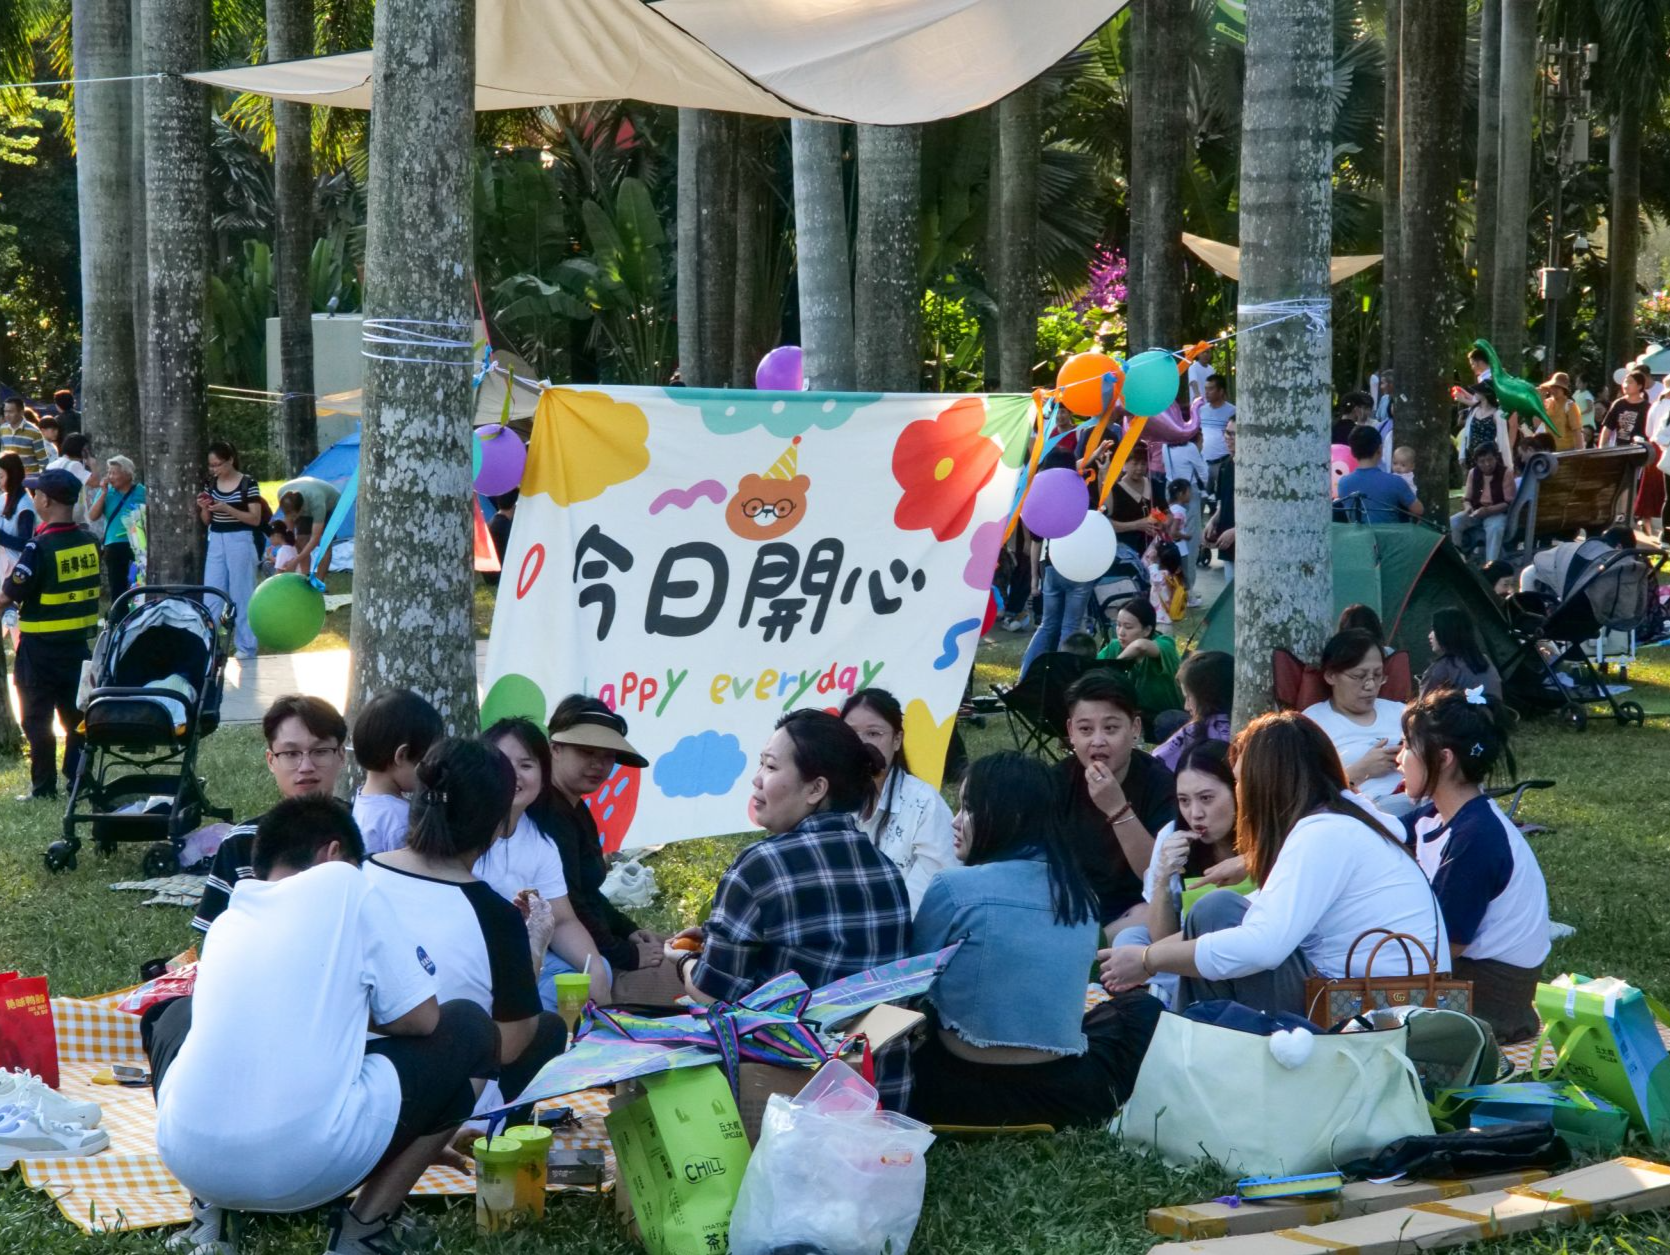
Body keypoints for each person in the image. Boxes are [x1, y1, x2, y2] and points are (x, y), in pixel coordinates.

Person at [150, 797, 502, 1255]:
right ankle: (365, 1228)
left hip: (190, 1161)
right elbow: (422, 1018)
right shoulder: (343, 883)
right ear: (333, 853)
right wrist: (349, 1005)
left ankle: (207, 1219)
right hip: (306, 1164)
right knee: (472, 1029)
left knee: (176, 1015)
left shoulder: (230, 918)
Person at [1098, 712, 1450, 1015]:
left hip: (1372, 1009)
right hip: (1381, 997)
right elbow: (1259, 913)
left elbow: (1263, 946)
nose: (1241, 795)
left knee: (1217, 912)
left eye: (1240, 783)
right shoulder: (1345, 818)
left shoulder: (1323, 832)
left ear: (1267, 783)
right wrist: (1146, 955)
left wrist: (1148, 961)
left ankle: (1200, 1053)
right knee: (1214, 911)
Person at [670, 711, 912, 1104]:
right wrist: (716, 940)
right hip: (880, 1098)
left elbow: (713, 993)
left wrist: (681, 962)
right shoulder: (886, 869)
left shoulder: (760, 865)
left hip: (789, 1104)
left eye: (769, 765)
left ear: (816, 788)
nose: (756, 779)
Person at [909, 752, 1162, 1128]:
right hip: (1062, 1094)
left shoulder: (952, 887)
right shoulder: (1081, 895)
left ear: (1008, 818)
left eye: (967, 808)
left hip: (953, 1091)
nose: (956, 821)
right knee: (1140, 1010)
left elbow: (910, 983)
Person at [364, 738, 569, 1116]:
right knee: (549, 1030)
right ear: (497, 823)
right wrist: (533, 950)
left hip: (346, 1086)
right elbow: (507, 1045)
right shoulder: (494, 915)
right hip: (432, 1107)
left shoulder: (355, 876)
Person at [1399, 690, 1549, 1042]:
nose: (1398, 758)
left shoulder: (1476, 837)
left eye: (1407, 745)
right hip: (1467, 983)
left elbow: (1441, 949)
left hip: (1488, 1008)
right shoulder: (1441, 815)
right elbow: (1378, 833)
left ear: (1443, 758)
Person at [541, 697, 682, 1004]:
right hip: (566, 960)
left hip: (598, 946)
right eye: (586, 752)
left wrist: (630, 930)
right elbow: (569, 906)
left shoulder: (574, 807)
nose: (598, 765)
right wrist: (627, 954)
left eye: (607, 756)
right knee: (687, 980)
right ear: (555, 748)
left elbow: (588, 893)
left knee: (682, 951)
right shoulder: (547, 815)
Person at [479, 718, 613, 1008]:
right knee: (547, 997)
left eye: (526, 765)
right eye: (502, 762)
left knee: (597, 970)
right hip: (475, 961)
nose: (513, 775)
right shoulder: (463, 833)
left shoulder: (541, 842)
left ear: (543, 775)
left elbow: (563, 920)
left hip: (525, 954)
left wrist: (598, 972)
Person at [190, 695, 348, 936]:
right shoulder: (241, 843)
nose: (306, 766)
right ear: (271, 760)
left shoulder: (366, 829)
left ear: (341, 756)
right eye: (291, 754)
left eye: (320, 751)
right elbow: (217, 939)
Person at [1113, 742, 1244, 1007]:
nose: (1195, 814)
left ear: (1237, 791)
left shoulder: (1263, 838)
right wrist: (1162, 876)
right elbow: (1162, 938)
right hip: (1182, 953)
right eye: (1184, 801)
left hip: (1238, 952)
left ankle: (1153, 1002)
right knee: (1129, 938)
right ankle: (1153, 1000)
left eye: (1206, 798)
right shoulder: (1172, 835)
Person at [0, 469, 97, 801]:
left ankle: (43, 788)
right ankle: (78, 780)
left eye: (36, 493)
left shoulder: (39, 547)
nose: (33, 497)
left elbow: (11, 593)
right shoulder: (89, 542)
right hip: (78, 651)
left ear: (46, 501)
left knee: (37, 721)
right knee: (77, 720)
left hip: (39, 653)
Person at [1057, 672, 1176, 936]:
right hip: (1070, 902)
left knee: (1154, 915)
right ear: (1070, 732)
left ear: (1134, 729)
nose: (1097, 741)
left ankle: (1093, 942)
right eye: (1085, 729)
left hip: (1132, 906)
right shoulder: (1056, 781)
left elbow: (1157, 876)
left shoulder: (1160, 783)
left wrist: (1117, 808)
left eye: (1110, 728)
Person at [840, 689, 959, 914]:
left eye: (874, 733)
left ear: (897, 740)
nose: (861, 744)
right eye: (850, 734)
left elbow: (934, 892)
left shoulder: (924, 804)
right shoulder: (828, 801)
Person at [1301, 629, 1410, 813]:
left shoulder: (1401, 712)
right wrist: (1361, 769)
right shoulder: (1312, 722)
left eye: (1377, 676)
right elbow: (1305, 791)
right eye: (1359, 676)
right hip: (1359, 813)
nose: (1370, 686)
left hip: (1415, 801)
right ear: (1330, 676)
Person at [351, 688, 446, 855]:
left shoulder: (361, 801)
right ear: (401, 755)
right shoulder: (400, 819)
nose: (431, 768)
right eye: (427, 760)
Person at [197, 441, 264, 660]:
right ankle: (208, 643)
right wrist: (206, 508)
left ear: (230, 460)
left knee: (242, 592)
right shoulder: (211, 483)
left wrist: (227, 508)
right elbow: (207, 520)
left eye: (218, 464)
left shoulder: (248, 483)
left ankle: (246, 646)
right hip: (216, 538)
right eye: (211, 465)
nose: (214, 469)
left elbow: (255, 519)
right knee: (212, 594)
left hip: (240, 539)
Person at [1096, 597, 1183, 738]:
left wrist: (1116, 665)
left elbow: (1140, 646)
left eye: (1128, 627)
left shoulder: (1165, 644)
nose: (1121, 632)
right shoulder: (1114, 647)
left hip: (1167, 718)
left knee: (1168, 720)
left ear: (1147, 630)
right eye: (1118, 625)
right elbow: (1092, 672)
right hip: (1132, 716)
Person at [1153, 649, 1233, 771]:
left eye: (1188, 698)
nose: (1186, 707)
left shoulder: (1197, 732)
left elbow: (1156, 762)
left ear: (1206, 698)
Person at [86, 454, 144, 603]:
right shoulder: (107, 492)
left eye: (114, 473)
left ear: (127, 474)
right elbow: (92, 516)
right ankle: (117, 618)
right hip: (114, 545)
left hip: (138, 545)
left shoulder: (141, 491)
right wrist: (103, 493)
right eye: (109, 472)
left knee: (137, 585)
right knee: (117, 587)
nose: (110, 476)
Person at [1337, 426, 1421, 524]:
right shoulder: (1396, 482)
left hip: (1358, 538)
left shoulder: (1343, 483)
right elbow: (1419, 510)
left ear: (1352, 452)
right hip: (1391, 538)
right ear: (1380, 449)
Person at [1451, 441, 1515, 563]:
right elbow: (1467, 498)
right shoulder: (1473, 473)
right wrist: (1468, 507)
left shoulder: (1505, 472)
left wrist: (1488, 511)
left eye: (1490, 460)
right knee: (1453, 522)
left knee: (1495, 528)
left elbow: (1508, 502)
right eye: (1482, 461)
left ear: (1496, 458)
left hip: (1496, 512)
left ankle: (1491, 564)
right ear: (1477, 462)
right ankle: (1458, 558)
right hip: (1475, 511)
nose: (1487, 464)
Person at [1162, 437, 1209, 601]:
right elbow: (1203, 472)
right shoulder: (1189, 447)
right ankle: (1188, 591)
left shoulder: (1165, 445)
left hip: (1171, 491)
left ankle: (1174, 589)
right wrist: (1205, 489)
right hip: (1188, 493)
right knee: (1191, 545)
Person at [1422, 607, 1503, 700]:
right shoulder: (1483, 659)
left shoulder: (1440, 670)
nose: (1429, 636)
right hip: (1496, 713)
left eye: (1434, 629)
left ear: (1446, 633)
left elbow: (1422, 708)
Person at [1203, 417, 1236, 581]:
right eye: (1227, 433)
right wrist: (1213, 521)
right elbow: (1223, 502)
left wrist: (1238, 531)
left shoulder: (1257, 469)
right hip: (1227, 545)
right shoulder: (1225, 466)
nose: (1228, 438)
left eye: (1233, 434)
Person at [0, 453, 36, 592]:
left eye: (1, 477)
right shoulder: (3, 498)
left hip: (14, 571)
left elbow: (25, 544)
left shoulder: (25, 505)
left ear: (13, 475)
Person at [1459, 381, 1513, 470]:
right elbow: (1467, 434)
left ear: (1486, 394)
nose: (1475, 393)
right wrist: (1462, 455)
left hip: (1489, 459)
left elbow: (1503, 441)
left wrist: (1508, 466)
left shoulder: (1498, 414)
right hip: (1472, 457)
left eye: (1478, 391)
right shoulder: (1474, 411)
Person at [1600, 369, 1652, 448]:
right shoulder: (1618, 404)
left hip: (1640, 451)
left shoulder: (1647, 407)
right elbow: (1607, 428)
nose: (1626, 385)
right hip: (1620, 450)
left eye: (1630, 382)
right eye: (1625, 382)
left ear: (1639, 386)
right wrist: (1601, 447)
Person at [0, 396, 51, 475]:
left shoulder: (34, 432)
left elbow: (43, 460)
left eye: (11, 412)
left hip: (29, 479)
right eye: (5, 411)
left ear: (21, 412)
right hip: (9, 478)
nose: (7, 415)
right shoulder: (2, 429)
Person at [1196, 373, 1236, 471]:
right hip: (1204, 463)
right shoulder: (1201, 410)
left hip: (1223, 463)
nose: (1207, 392)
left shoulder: (1232, 411)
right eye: (1206, 389)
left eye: (1211, 389)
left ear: (1221, 391)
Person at [1539, 373, 1585, 452]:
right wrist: (1541, 395)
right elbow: (1537, 422)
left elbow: (1577, 432)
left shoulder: (1570, 406)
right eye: (1553, 387)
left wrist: (1580, 454)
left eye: (1558, 387)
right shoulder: (1546, 403)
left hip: (1567, 451)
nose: (1554, 390)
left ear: (1564, 389)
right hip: (1549, 450)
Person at [485, 490, 517, 588]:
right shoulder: (505, 526)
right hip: (499, 576)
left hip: (490, 574)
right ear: (514, 505)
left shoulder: (494, 521)